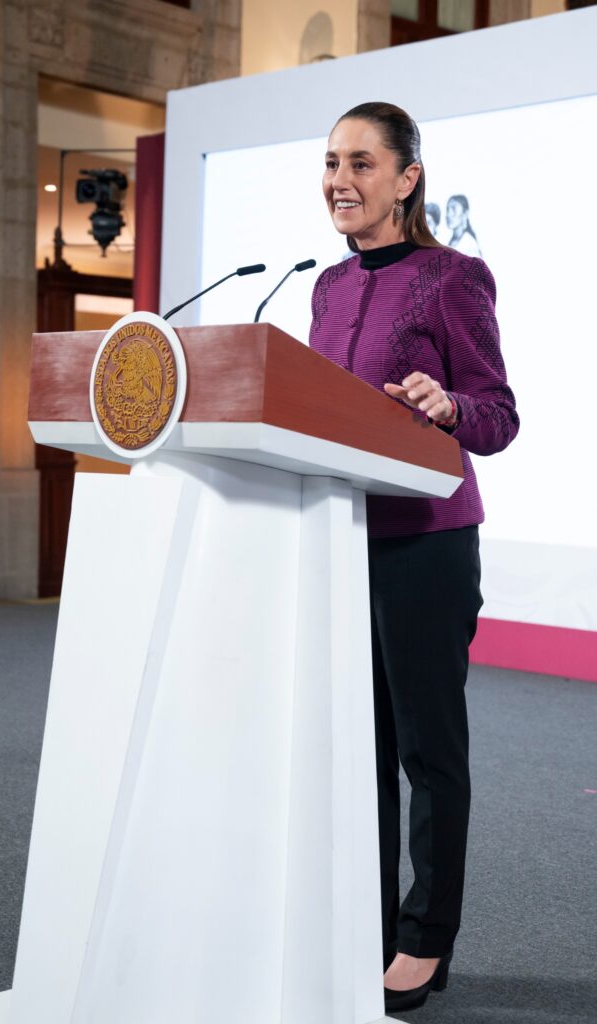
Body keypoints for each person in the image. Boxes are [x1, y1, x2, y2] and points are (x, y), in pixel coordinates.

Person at [309, 101, 519, 1014]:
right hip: (332, 541)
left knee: (426, 753)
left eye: (360, 163)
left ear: (406, 178)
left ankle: (424, 938)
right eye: (330, 162)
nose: (338, 180)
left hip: (425, 545)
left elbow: (498, 415)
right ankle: (360, 922)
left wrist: (448, 407)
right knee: (355, 752)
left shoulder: (451, 277)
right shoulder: (323, 288)